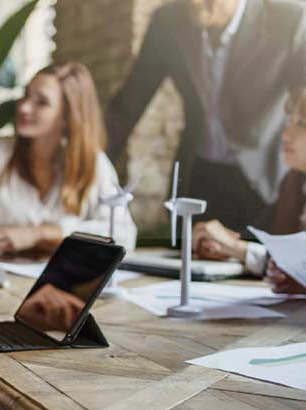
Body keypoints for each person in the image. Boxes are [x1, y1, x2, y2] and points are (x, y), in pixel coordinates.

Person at [106, 0, 306, 235]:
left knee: (257, 262)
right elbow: (128, 105)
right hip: (199, 178)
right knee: (190, 259)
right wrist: (88, 166)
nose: (194, 2)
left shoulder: (288, 19)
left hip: (265, 184)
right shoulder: (168, 21)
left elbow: (302, 99)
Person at [0, 63, 137, 258]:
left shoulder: (92, 162)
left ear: (67, 116)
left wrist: (41, 234)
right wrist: (57, 245)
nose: (24, 107)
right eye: (26, 95)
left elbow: (124, 236)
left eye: (42, 102)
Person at [193, 85, 306, 295]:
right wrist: (223, 246)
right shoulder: (294, 183)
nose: (286, 135)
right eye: (289, 122)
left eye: (301, 124)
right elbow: (266, 243)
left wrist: (239, 250)